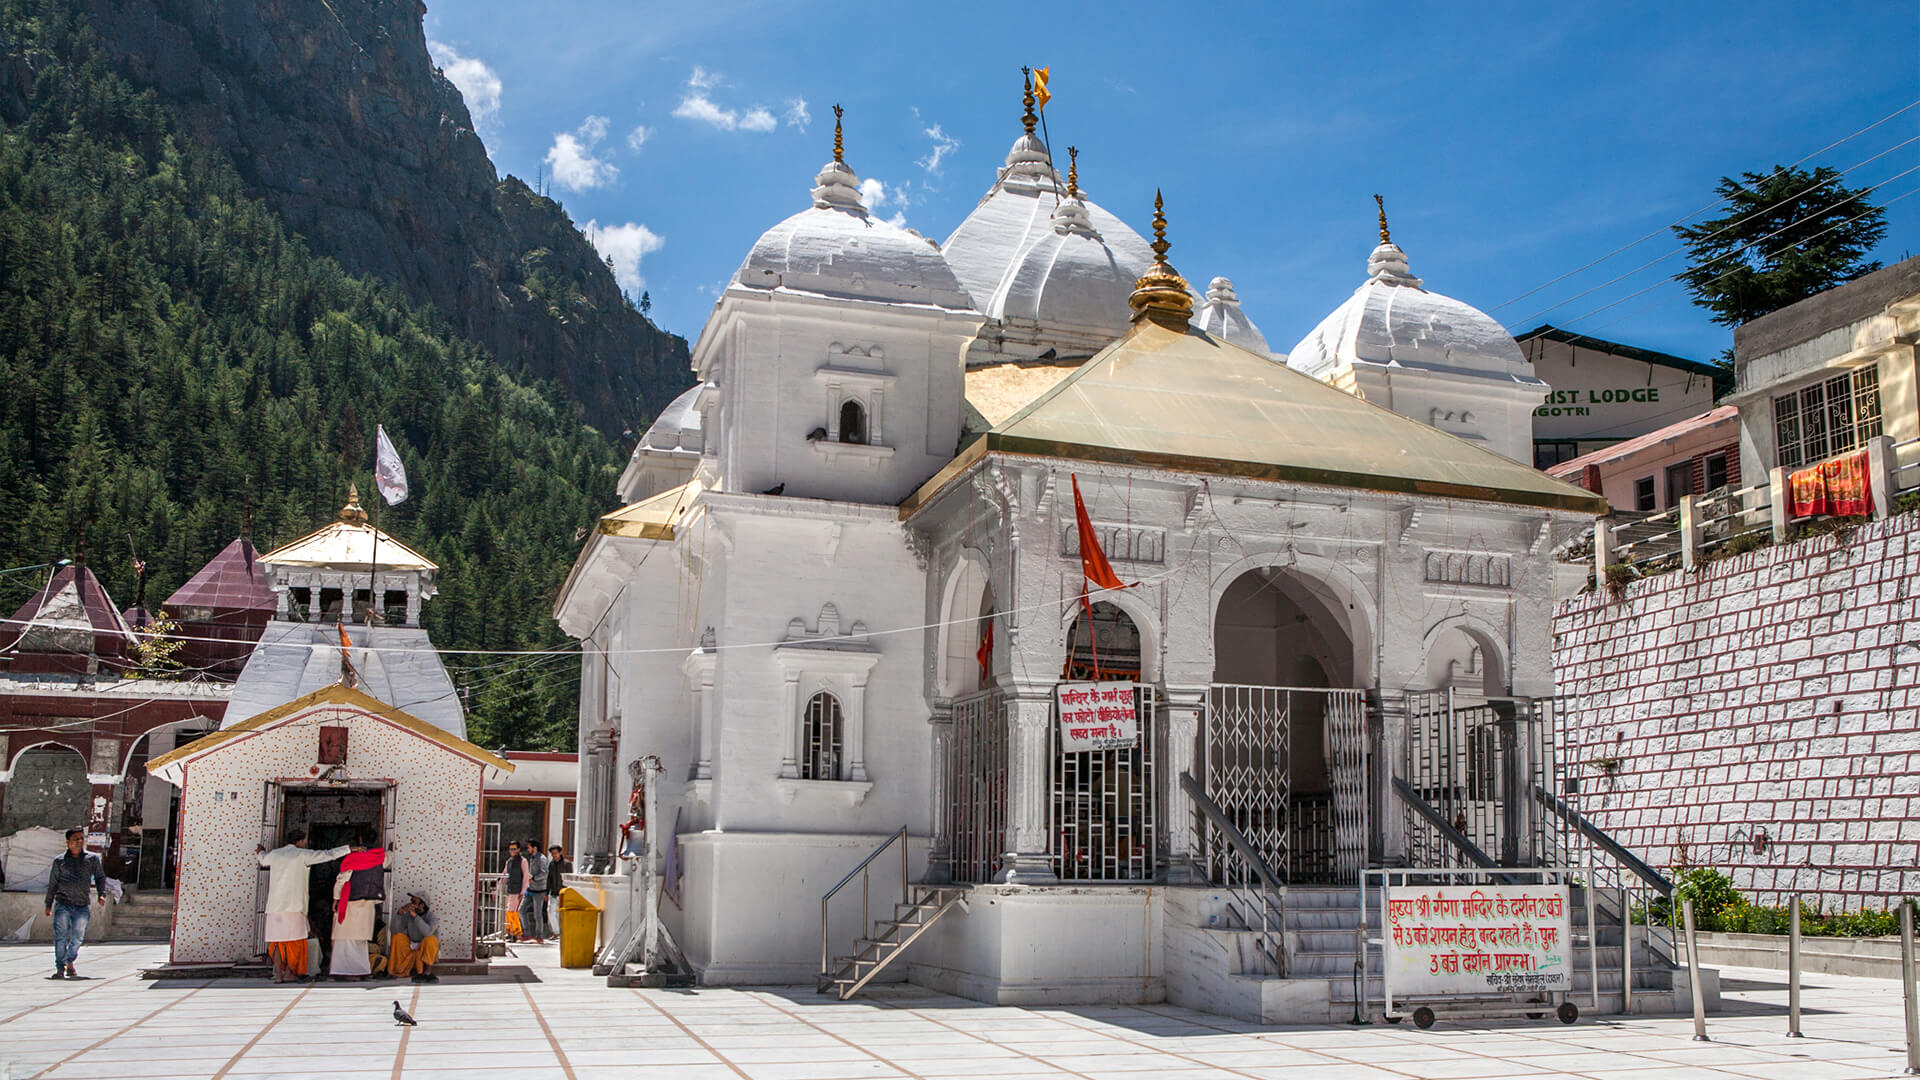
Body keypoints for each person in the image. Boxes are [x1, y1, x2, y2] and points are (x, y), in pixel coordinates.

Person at [256, 829, 351, 983]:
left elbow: (262, 859)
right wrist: (348, 849)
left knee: (277, 943)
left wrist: (260, 851)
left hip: (274, 908)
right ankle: (289, 973)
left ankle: (278, 975)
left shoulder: (275, 854)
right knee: (294, 943)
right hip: (295, 907)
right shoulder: (302, 854)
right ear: (301, 841)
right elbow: (327, 854)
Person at [42, 828, 107, 980]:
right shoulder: (59, 861)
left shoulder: (91, 859)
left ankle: (69, 961)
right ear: (68, 842)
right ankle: (60, 968)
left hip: (82, 905)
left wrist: (101, 894)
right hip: (63, 903)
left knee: (78, 936)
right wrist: (48, 904)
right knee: (60, 936)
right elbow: (53, 883)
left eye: (81, 838)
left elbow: (100, 877)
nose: (79, 842)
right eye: (75, 839)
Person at [330, 832, 392, 980]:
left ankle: (347, 972)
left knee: (345, 939)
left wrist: (336, 899)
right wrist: (391, 849)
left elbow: (341, 880)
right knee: (360, 940)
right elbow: (389, 857)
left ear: (360, 839)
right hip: (367, 906)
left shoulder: (352, 858)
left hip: (350, 904)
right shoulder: (379, 857)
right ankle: (360, 971)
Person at [390, 893, 441, 983]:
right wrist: (399, 913)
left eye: (414, 902)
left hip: (426, 948)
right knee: (397, 938)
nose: (411, 904)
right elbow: (396, 930)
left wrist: (416, 917)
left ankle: (427, 972)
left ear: (422, 905)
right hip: (412, 944)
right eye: (411, 901)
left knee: (430, 940)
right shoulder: (408, 915)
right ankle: (397, 970)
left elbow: (427, 932)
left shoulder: (432, 917)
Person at [519, 837, 550, 944]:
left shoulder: (542, 859)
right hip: (530, 889)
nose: (528, 849)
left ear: (535, 848)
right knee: (521, 910)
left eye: (529, 847)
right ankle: (527, 933)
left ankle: (539, 936)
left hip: (539, 890)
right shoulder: (531, 858)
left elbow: (544, 873)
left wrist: (534, 878)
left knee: (537, 914)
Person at [501, 840, 525, 940]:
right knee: (508, 911)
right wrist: (498, 889)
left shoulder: (523, 861)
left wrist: (522, 891)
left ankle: (516, 932)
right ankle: (510, 931)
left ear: (518, 850)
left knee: (512, 911)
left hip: (517, 890)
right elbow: (504, 876)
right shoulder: (509, 861)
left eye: (514, 849)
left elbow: (525, 877)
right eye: (511, 849)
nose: (512, 851)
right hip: (509, 889)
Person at [545, 845, 569, 935]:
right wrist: (546, 892)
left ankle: (562, 932)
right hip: (554, 892)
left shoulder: (567, 864)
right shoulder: (551, 864)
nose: (554, 855)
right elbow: (549, 879)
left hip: (563, 892)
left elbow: (569, 879)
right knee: (550, 912)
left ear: (560, 853)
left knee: (561, 914)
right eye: (552, 854)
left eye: (555, 853)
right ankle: (556, 932)